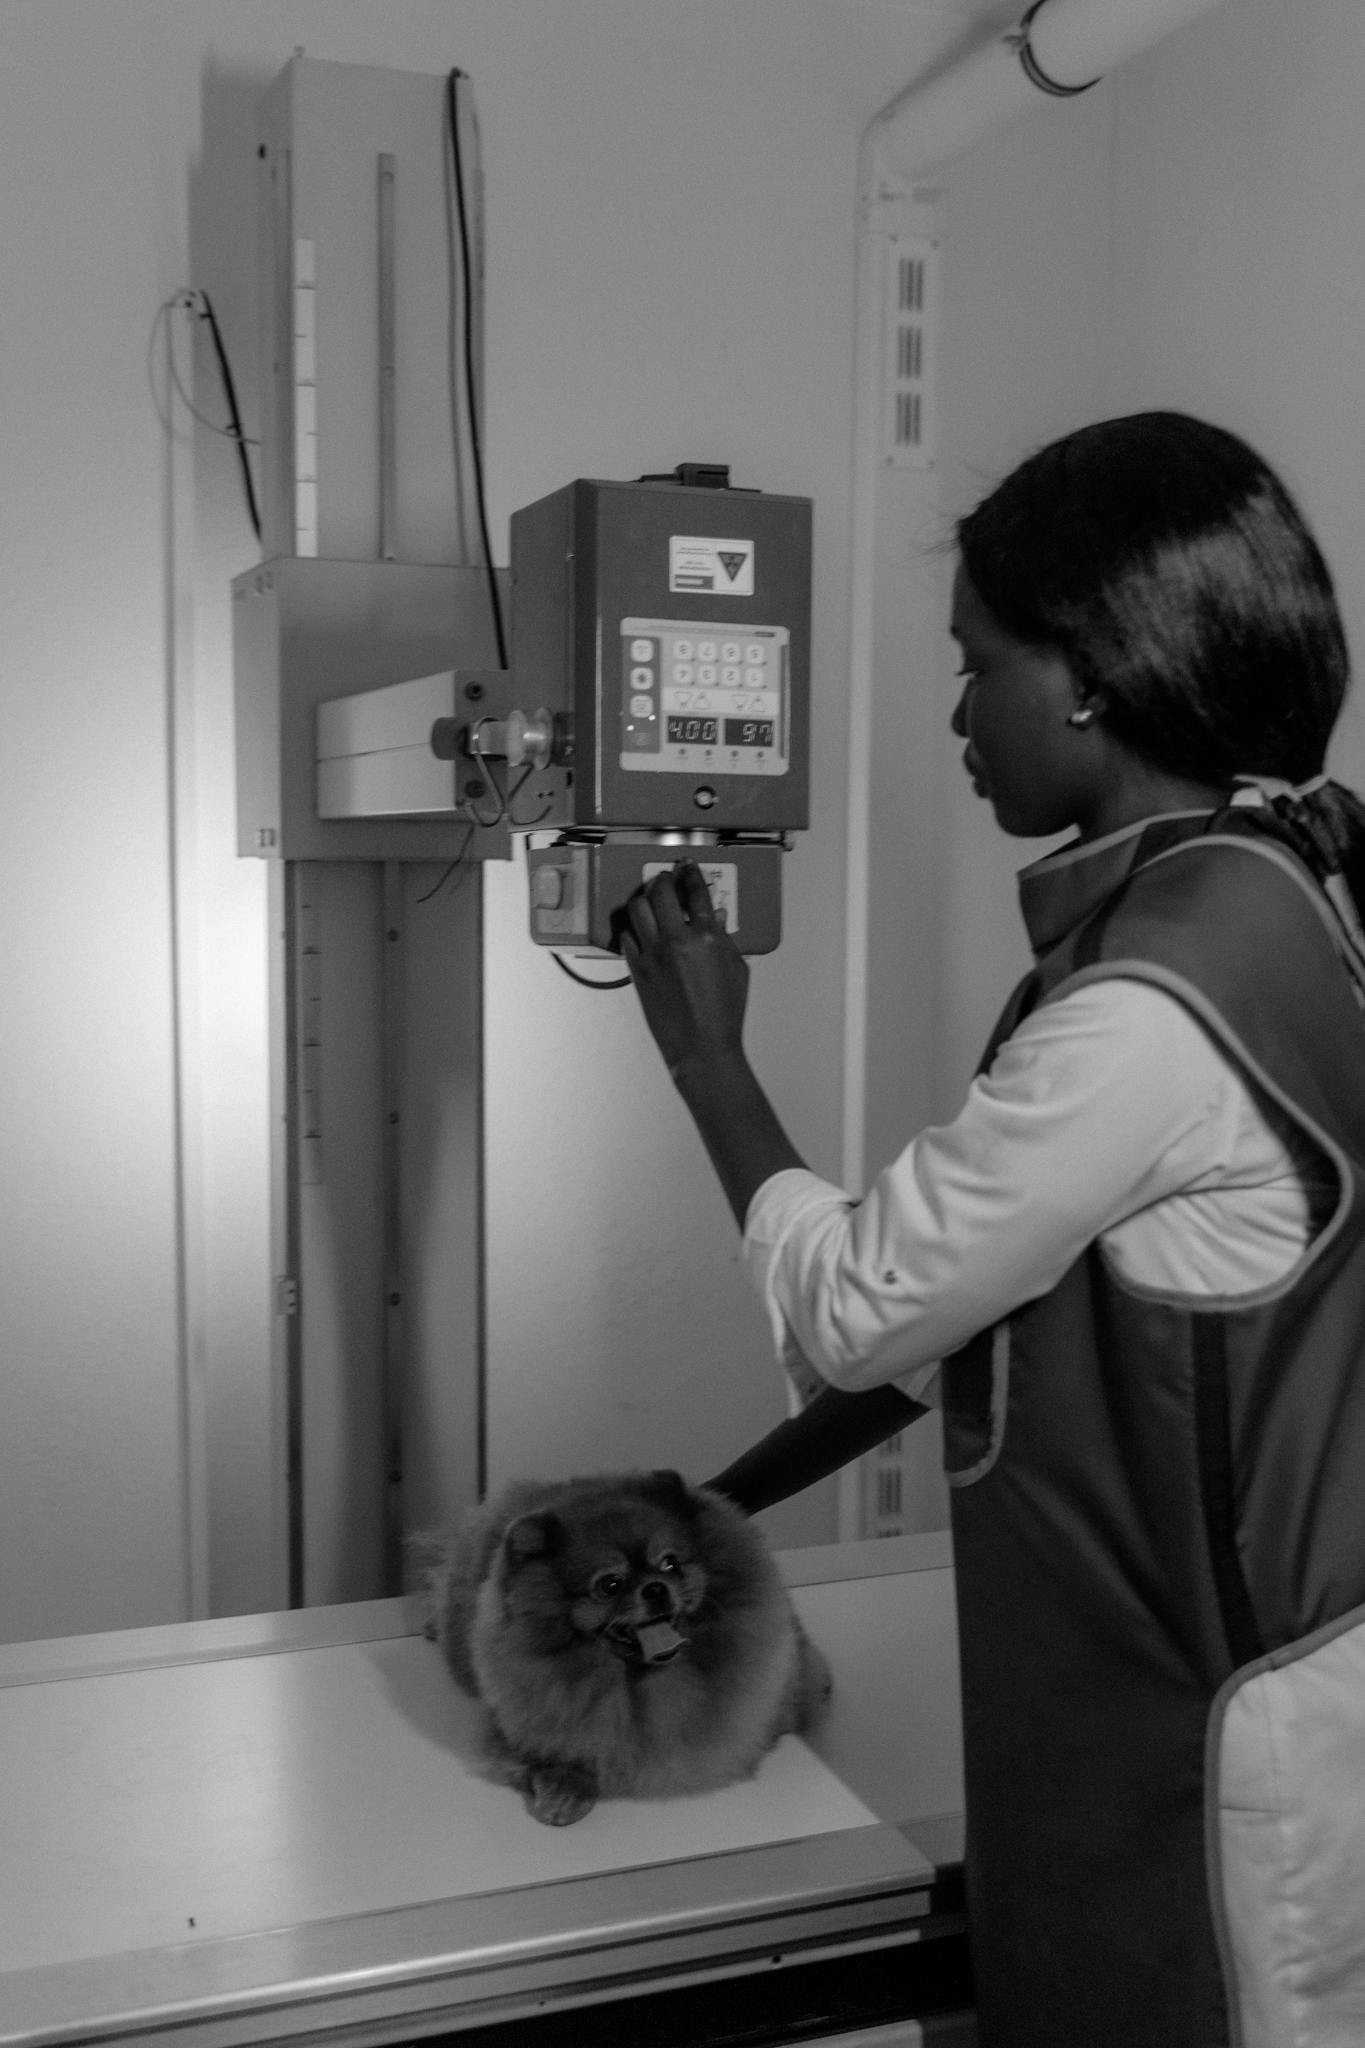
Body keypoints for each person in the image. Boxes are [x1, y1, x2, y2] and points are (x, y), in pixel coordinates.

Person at [618, 412, 1365, 2048]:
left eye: (975, 666)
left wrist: (705, 1059)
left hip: (1206, 1723)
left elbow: (869, 1309)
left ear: (1086, 675)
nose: (957, 716)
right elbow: (982, 1311)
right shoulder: (1283, 892)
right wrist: (711, 1502)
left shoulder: (1147, 1009)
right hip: (1284, 1652)